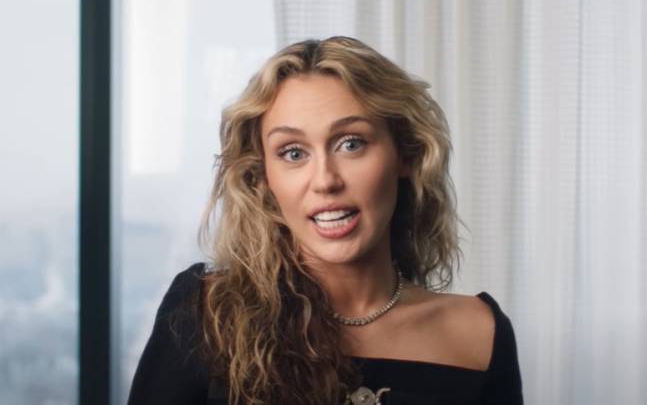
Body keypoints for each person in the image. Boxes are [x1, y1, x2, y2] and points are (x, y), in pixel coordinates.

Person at [127, 36, 523, 405]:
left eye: (351, 143)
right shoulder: (207, 313)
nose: (325, 181)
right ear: (264, 177)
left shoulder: (480, 334)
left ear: (406, 154)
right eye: (293, 153)